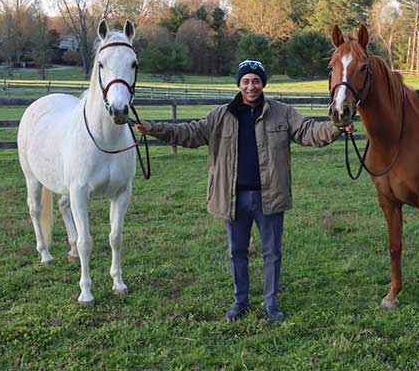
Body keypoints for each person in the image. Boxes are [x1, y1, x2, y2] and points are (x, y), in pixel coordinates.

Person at [135, 58, 352, 321]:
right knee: (237, 252)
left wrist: (337, 126)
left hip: (269, 197)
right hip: (233, 198)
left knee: (272, 253)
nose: (251, 86)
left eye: (256, 81)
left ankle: (271, 303)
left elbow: (309, 131)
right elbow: (189, 132)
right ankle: (240, 301)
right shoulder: (220, 116)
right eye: (246, 81)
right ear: (239, 84)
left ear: (263, 84)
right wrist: (155, 129)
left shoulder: (283, 113)